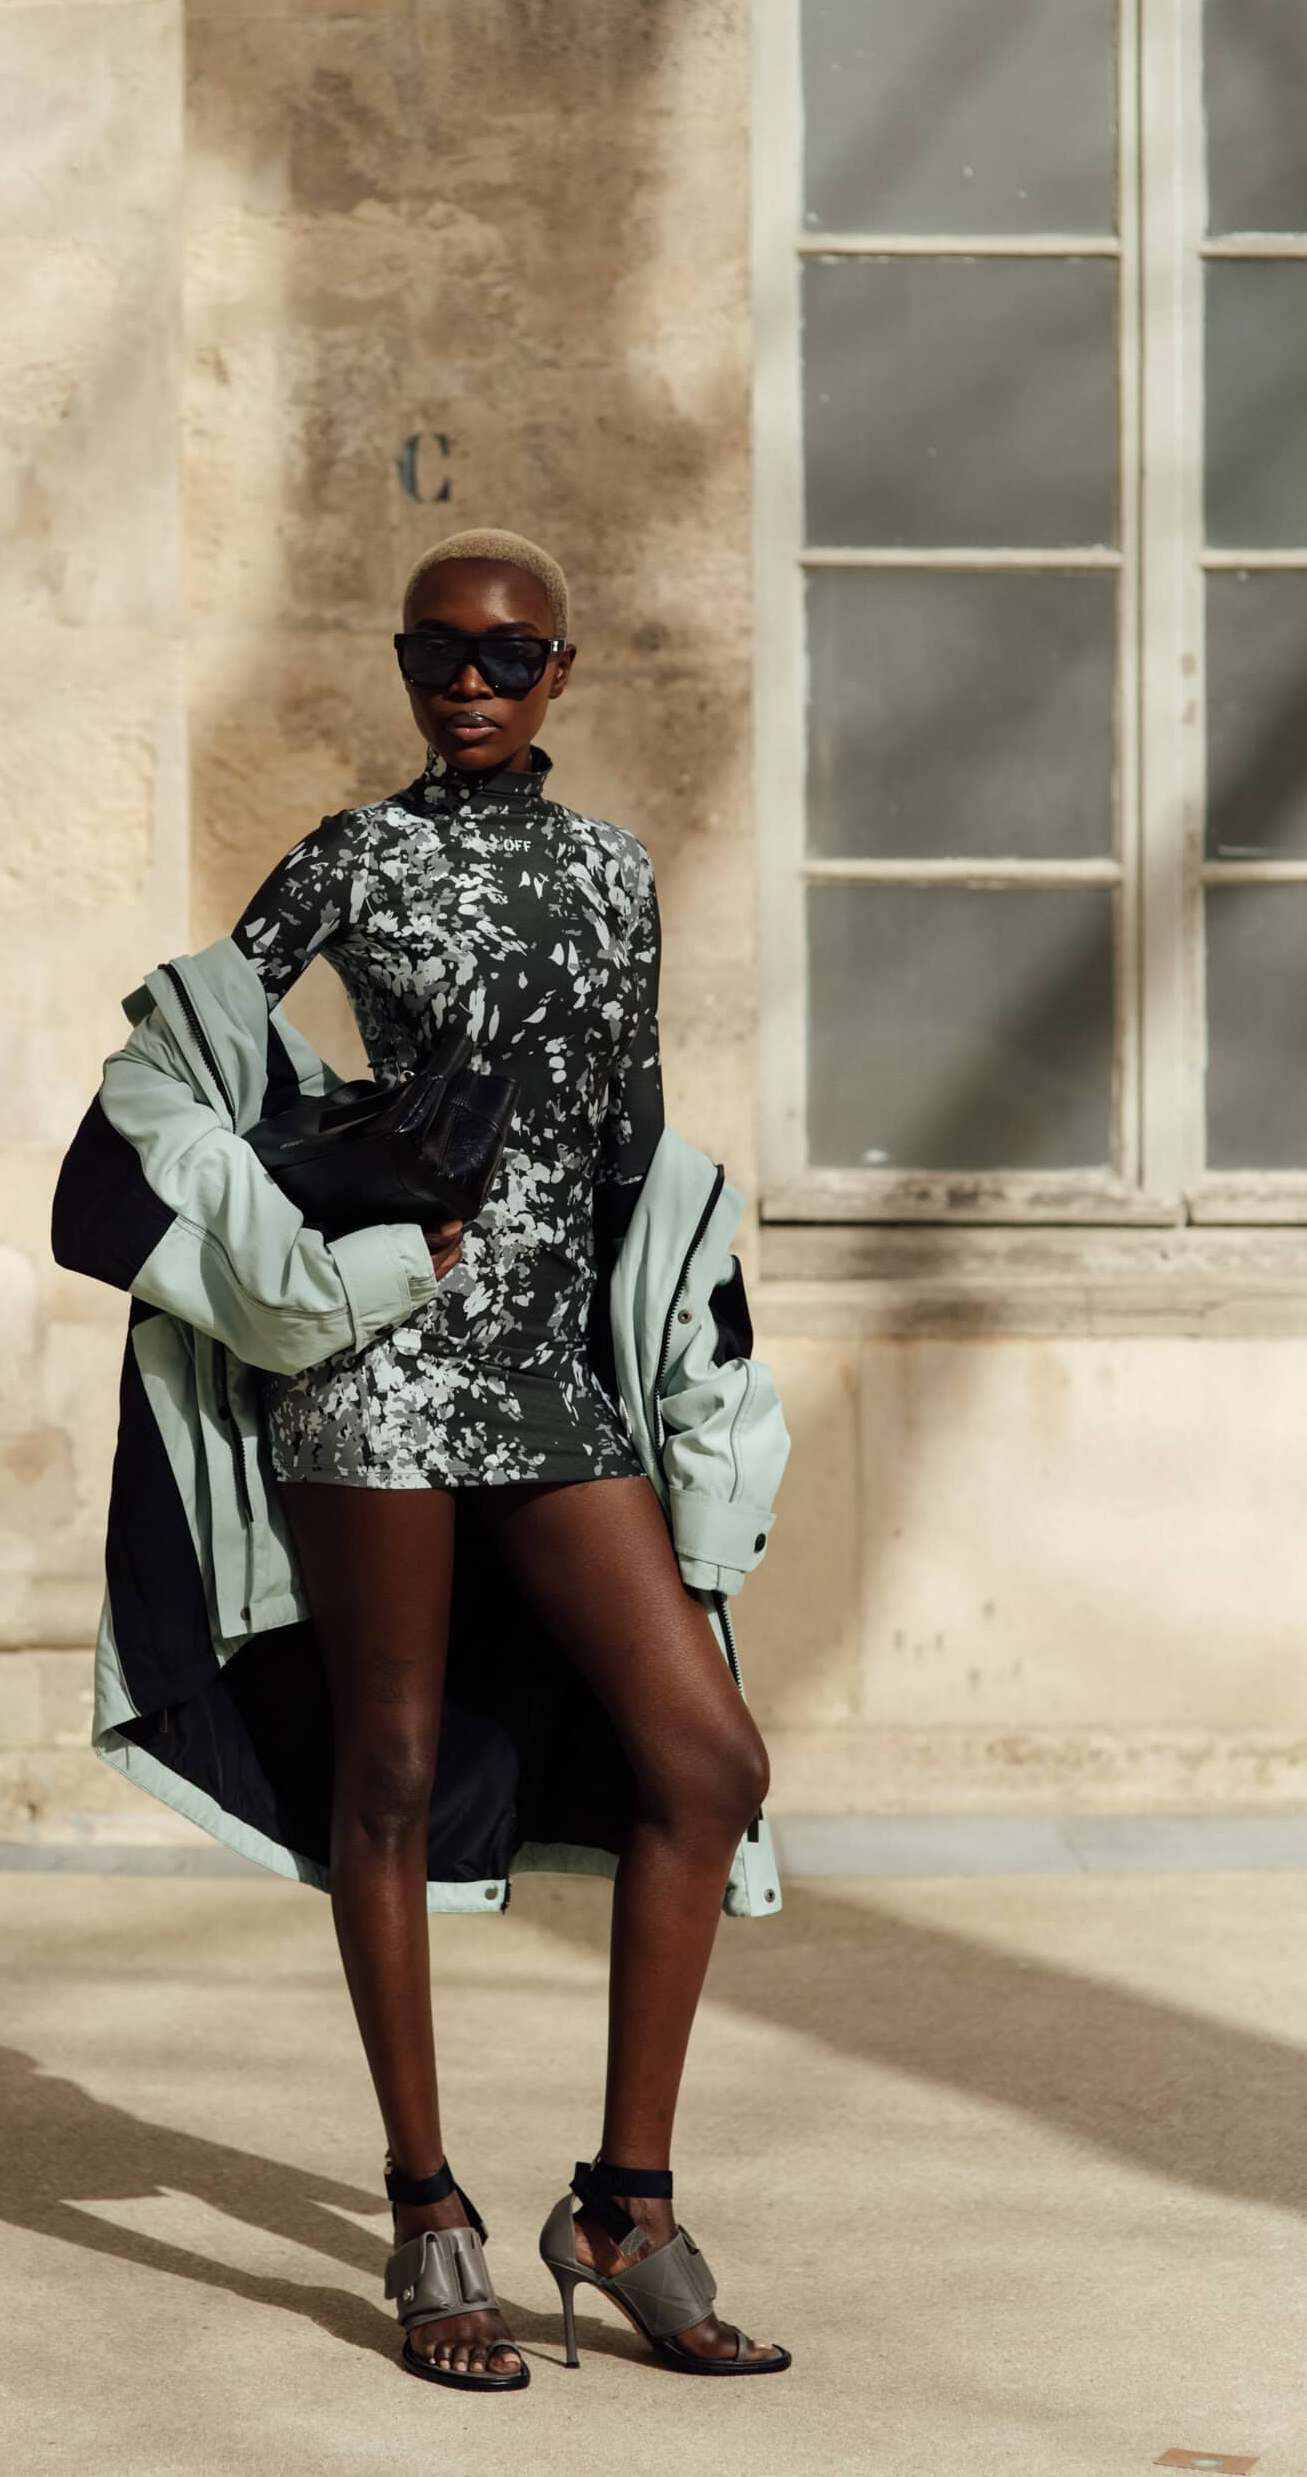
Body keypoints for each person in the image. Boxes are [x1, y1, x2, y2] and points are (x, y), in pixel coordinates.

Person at [223, 528, 790, 2391]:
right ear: (403, 665)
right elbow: (184, 1088)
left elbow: (634, 1142)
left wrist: (687, 1368)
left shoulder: (616, 873)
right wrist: (338, 1182)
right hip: (380, 1369)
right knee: (384, 1770)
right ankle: (426, 2210)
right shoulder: (350, 855)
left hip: (554, 1381)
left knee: (707, 1762)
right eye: (432, 655)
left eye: (502, 653)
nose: (465, 685)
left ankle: (625, 2206)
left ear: (564, 665)